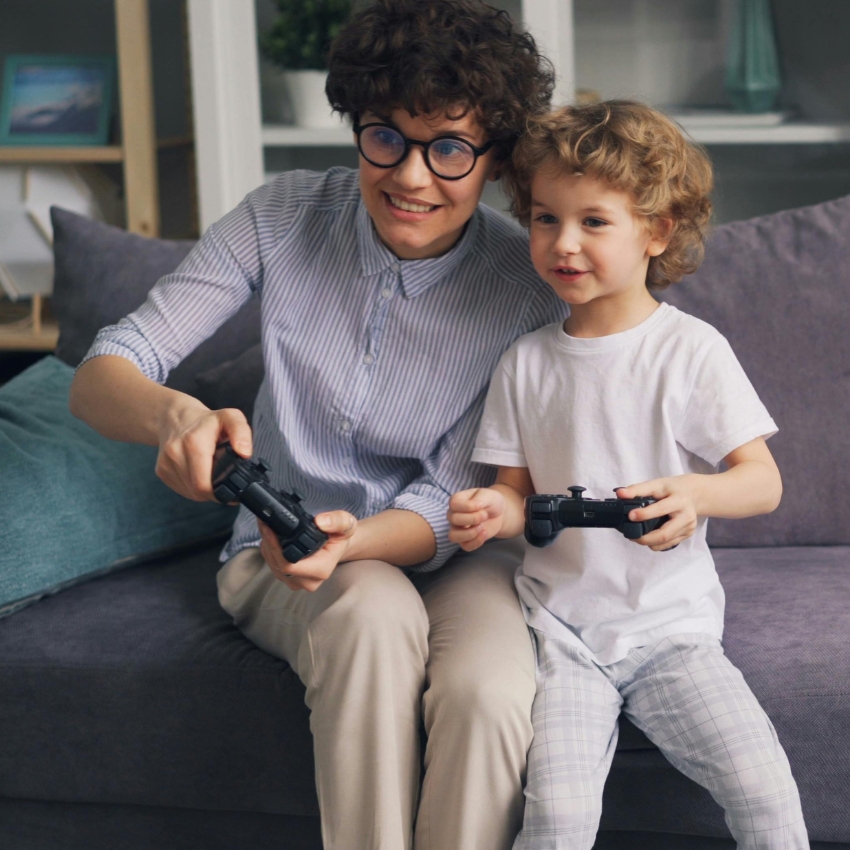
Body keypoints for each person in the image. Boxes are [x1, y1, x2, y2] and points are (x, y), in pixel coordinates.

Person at [69, 2, 569, 849]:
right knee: (373, 617)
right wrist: (174, 415)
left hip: (456, 554)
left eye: (449, 148)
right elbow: (107, 368)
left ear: (494, 159)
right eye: (386, 136)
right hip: (286, 555)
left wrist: (359, 537)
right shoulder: (281, 216)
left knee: (488, 689)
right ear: (357, 125)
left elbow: (455, 494)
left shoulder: (526, 285)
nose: (411, 177)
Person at [448, 101, 809, 850]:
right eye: (544, 219)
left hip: (669, 633)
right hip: (562, 635)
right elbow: (518, 496)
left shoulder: (690, 351)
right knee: (558, 820)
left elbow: (761, 480)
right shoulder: (526, 362)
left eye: (594, 222)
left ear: (657, 231)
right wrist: (494, 511)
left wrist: (697, 494)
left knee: (766, 794)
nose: (563, 243)